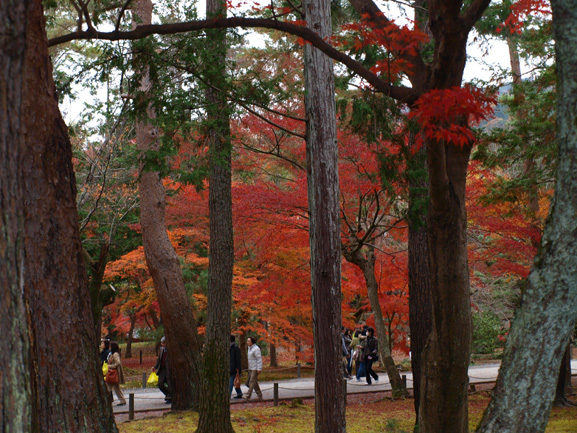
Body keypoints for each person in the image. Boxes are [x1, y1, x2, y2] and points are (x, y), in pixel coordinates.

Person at [106, 341, 126, 406]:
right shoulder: (113, 354)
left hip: (114, 374)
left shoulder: (115, 354)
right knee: (116, 387)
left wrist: (109, 366)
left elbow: (118, 363)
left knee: (108, 387)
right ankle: (122, 400)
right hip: (115, 374)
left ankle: (106, 401)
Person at [152, 336, 172, 403]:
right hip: (162, 369)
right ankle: (168, 394)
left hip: (169, 369)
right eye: (162, 343)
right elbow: (159, 360)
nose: (162, 344)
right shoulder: (161, 349)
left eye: (164, 343)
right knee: (160, 383)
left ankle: (170, 397)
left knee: (170, 384)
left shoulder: (171, 350)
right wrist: (155, 367)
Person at [245, 336, 263, 401]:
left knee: (252, 381)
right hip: (251, 368)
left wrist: (259, 368)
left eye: (248, 341)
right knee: (253, 382)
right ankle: (259, 394)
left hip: (255, 368)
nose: (247, 342)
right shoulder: (249, 349)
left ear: (252, 342)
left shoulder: (256, 349)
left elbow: (259, 359)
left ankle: (248, 395)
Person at [229, 335, 243, 399]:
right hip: (231, 367)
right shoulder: (231, 348)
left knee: (231, 382)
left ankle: (228, 395)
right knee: (235, 381)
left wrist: (238, 369)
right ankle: (239, 393)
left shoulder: (235, 348)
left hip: (234, 368)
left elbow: (238, 359)